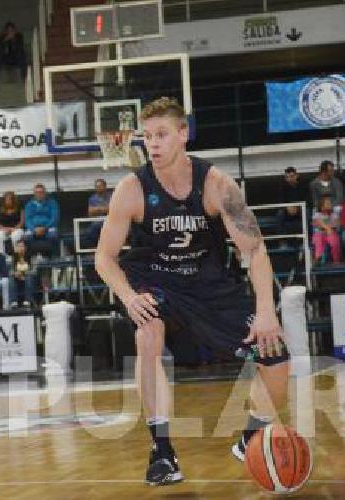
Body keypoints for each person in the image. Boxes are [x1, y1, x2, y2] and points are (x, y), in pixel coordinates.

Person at [93, 97, 290, 487]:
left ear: (183, 135)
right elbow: (103, 258)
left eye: (162, 134)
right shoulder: (132, 189)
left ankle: (250, 437)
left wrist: (266, 311)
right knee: (148, 331)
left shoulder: (217, 185)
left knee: (277, 360)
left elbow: (254, 249)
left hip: (211, 286)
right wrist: (129, 297)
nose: (153, 144)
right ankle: (162, 451)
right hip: (156, 281)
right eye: (147, 136)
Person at [23, 183, 60, 255]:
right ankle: (32, 257)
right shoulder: (29, 204)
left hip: (49, 227)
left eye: (41, 192)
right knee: (27, 237)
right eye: (37, 192)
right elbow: (27, 220)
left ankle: (54, 257)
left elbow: (55, 218)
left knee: (53, 235)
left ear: (45, 193)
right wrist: (34, 229)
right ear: (34, 193)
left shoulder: (52, 203)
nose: (39, 194)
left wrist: (45, 228)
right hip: (33, 228)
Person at [0, 21, 27, 89]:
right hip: (6, 57)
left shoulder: (19, 36)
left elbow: (20, 47)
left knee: (21, 54)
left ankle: (24, 78)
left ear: (15, 30)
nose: (10, 32)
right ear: (5, 31)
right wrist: (5, 41)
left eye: (11, 30)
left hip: (16, 57)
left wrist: (14, 40)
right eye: (8, 30)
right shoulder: (2, 37)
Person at [276, 166, 308, 242]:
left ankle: (306, 241)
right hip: (287, 211)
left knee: (307, 212)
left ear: (297, 176)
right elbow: (280, 201)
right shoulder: (282, 188)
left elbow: (308, 201)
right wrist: (287, 207)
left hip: (300, 210)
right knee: (280, 214)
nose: (290, 179)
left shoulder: (303, 186)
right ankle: (282, 241)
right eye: (287, 177)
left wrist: (297, 207)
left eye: (292, 176)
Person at [311, 196, 343, 264]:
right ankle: (318, 259)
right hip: (319, 233)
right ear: (322, 206)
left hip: (332, 232)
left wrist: (329, 228)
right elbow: (317, 223)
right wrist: (327, 228)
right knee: (319, 242)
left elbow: (337, 223)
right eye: (328, 204)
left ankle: (336, 260)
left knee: (335, 243)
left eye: (331, 203)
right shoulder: (317, 214)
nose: (330, 205)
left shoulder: (334, 214)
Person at [9, 239, 38, 308]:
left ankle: (27, 301)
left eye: (22, 246)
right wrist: (15, 273)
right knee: (11, 278)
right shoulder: (12, 258)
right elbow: (10, 272)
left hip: (29, 277)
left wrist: (23, 273)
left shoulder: (32, 257)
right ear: (15, 248)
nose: (20, 248)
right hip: (17, 278)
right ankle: (13, 302)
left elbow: (34, 271)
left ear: (26, 248)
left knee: (29, 278)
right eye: (18, 247)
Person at [83, 178, 110, 248]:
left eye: (100, 186)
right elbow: (90, 213)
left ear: (105, 186)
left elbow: (112, 209)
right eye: (96, 186)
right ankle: (93, 250)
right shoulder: (92, 198)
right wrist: (103, 208)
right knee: (89, 231)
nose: (98, 188)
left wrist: (97, 209)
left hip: (110, 221)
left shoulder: (111, 196)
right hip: (96, 222)